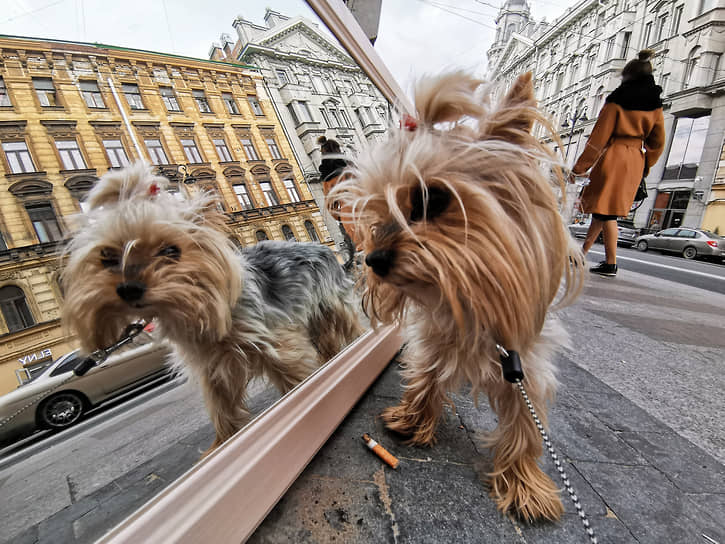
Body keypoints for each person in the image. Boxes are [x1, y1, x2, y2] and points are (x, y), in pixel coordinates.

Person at [570, 49, 666, 277]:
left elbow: (598, 139)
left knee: (607, 212)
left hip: (613, 154)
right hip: (635, 157)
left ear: (627, 76)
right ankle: (581, 254)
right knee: (603, 211)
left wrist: (579, 168)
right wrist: (646, 163)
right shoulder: (655, 106)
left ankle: (611, 263)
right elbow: (659, 141)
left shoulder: (616, 102)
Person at [317, 136, 356, 268]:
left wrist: (338, 216)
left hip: (348, 215)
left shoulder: (327, 176)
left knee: (362, 249)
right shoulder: (349, 166)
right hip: (365, 207)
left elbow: (330, 203)